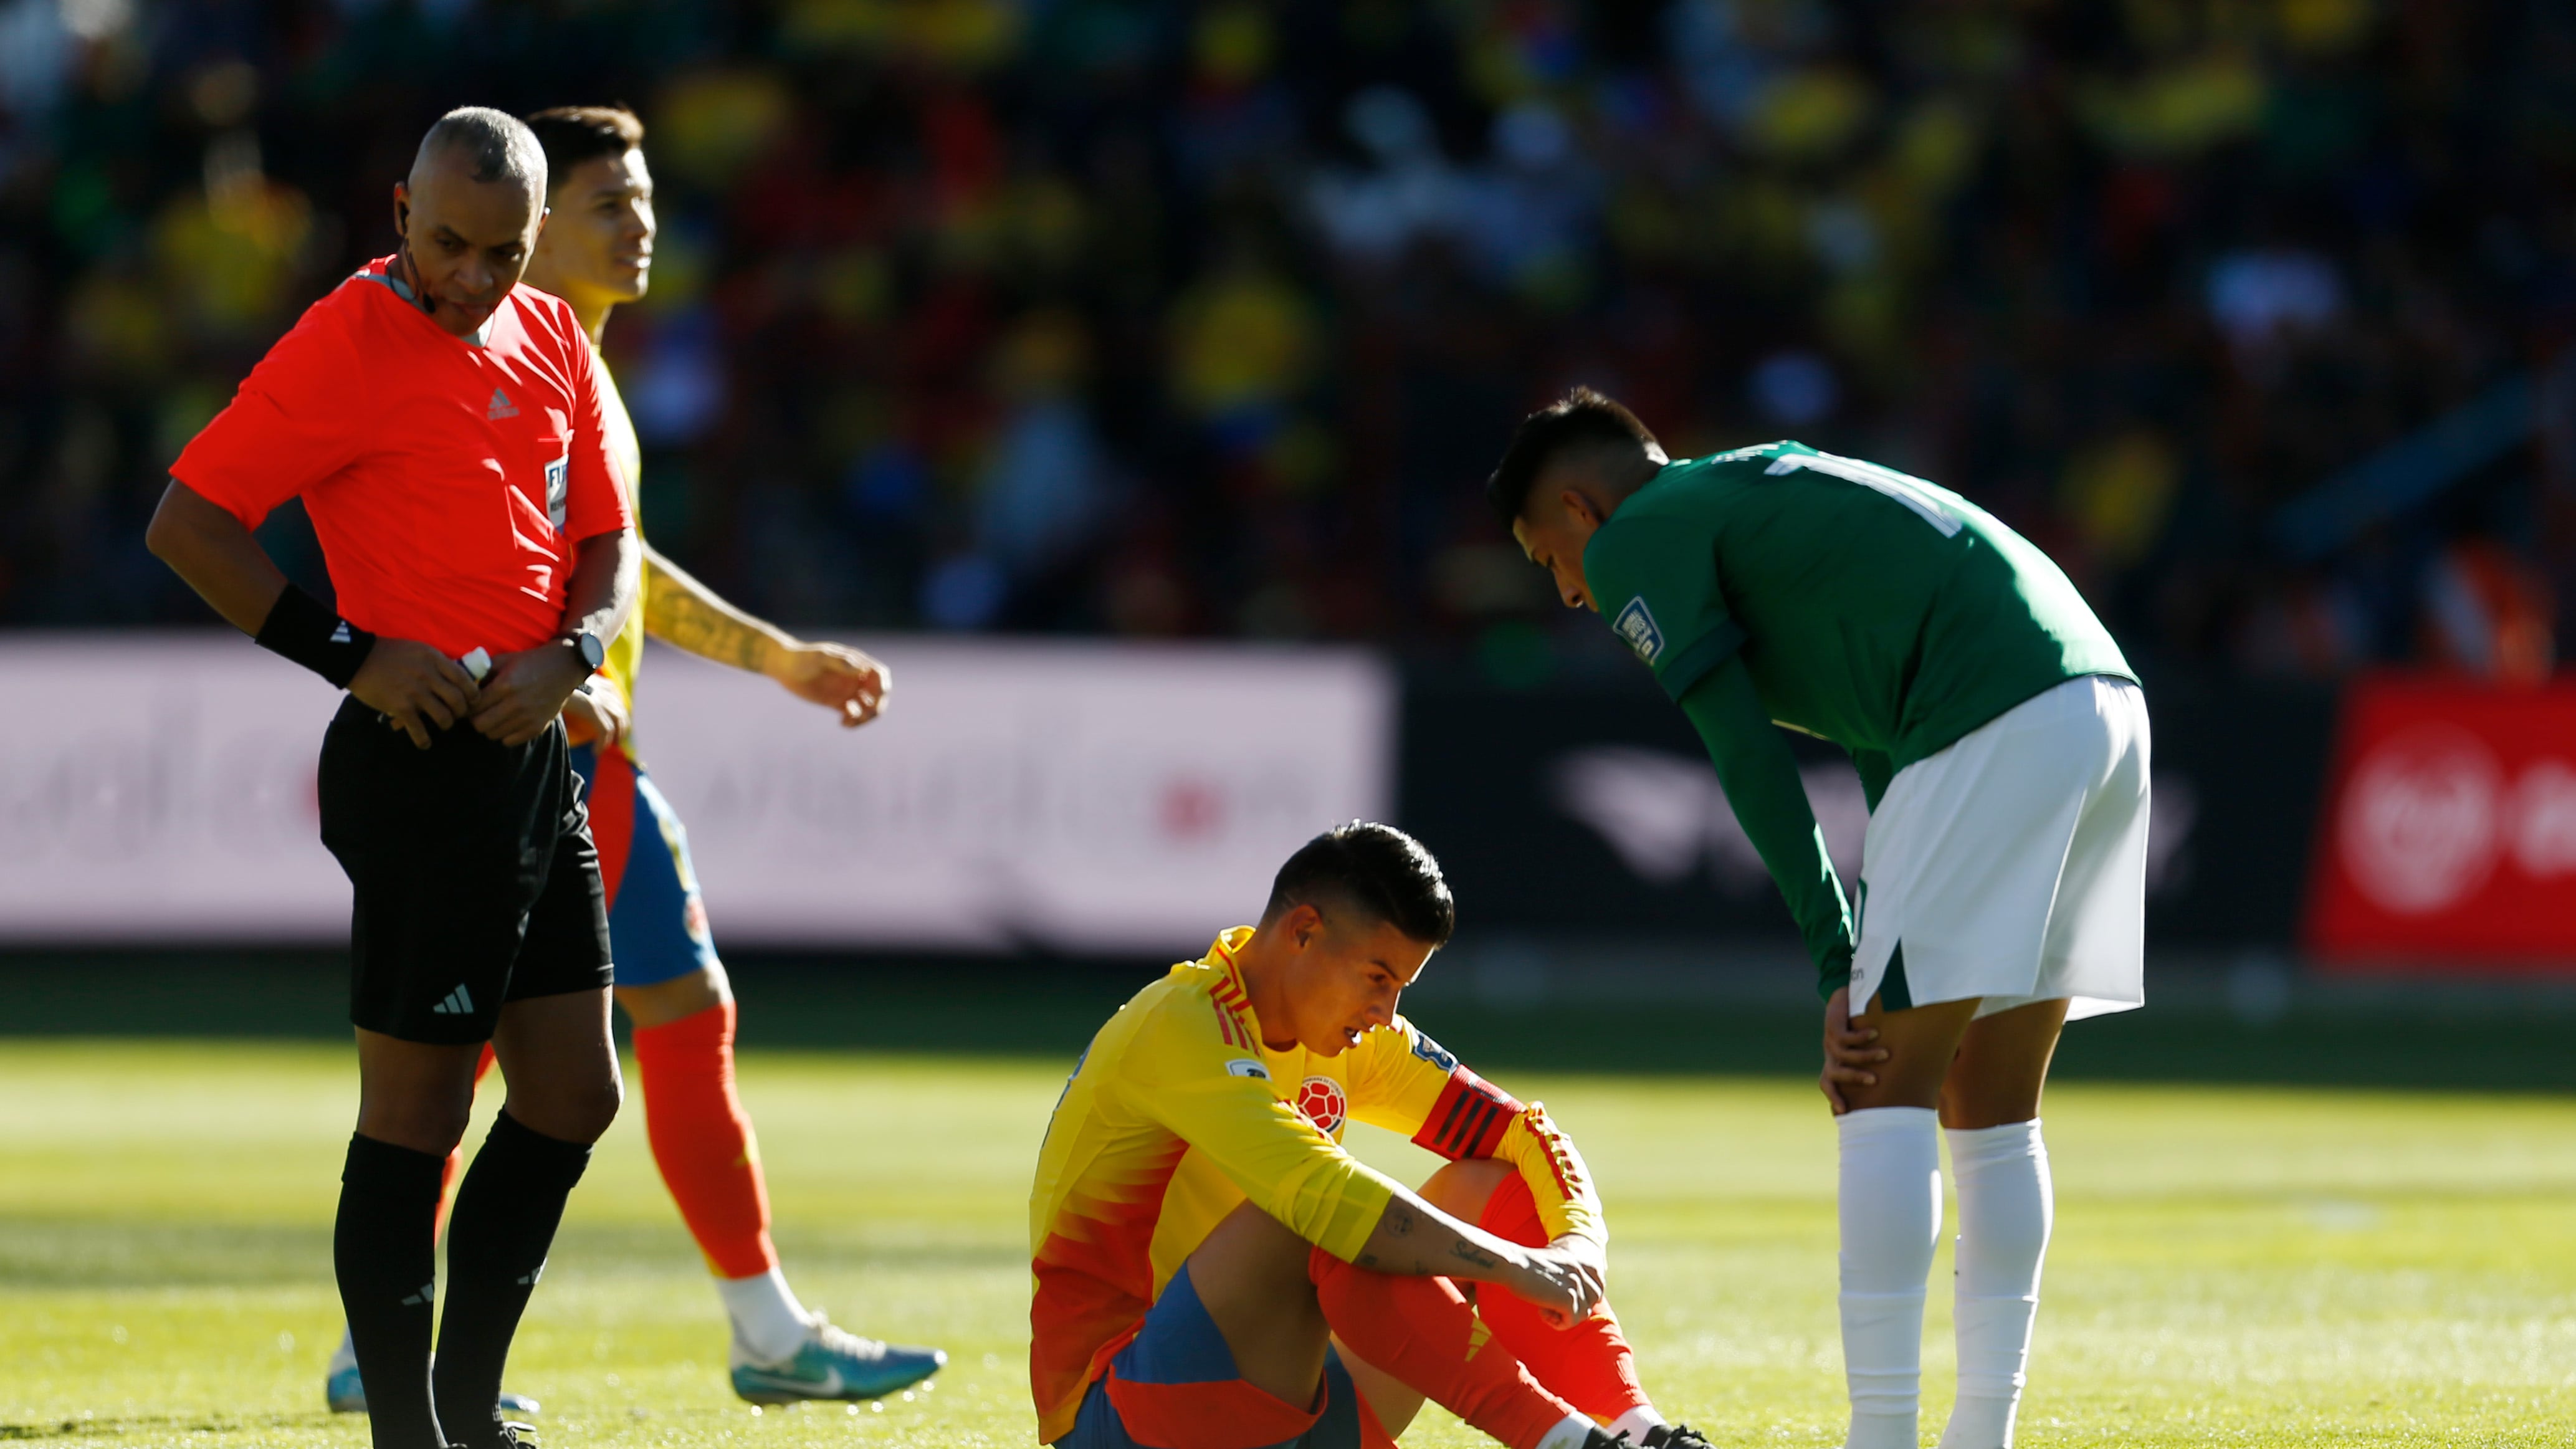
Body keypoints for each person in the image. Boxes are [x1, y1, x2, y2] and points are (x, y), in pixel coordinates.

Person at [311, 102, 944, 1414]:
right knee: (627, 1036)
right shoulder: (518, 360)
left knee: (514, 1058)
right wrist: (573, 672)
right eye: (611, 202)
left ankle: (388, 1345)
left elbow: (618, 562)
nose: (639, 221)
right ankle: (755, 1328)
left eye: (645, 197)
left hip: (581, 747)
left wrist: (763, 658)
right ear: (536, 234)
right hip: (559, 760)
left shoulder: (573, 364)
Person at [1486, 390, 2149, 1449]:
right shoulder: (1753, 485)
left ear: (1581, 505)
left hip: (1989, 708)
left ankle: (1879, 1437)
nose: (1568, 592)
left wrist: (1834, 959)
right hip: (2099, 700)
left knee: (1876, 1080)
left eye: (1546, 557)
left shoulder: (1635, 539)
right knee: (1990, 1101)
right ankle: (1981, 1434)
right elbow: (1878, 734)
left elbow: (1744, 757)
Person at [146, 108, 640, 1449]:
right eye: (447, 244)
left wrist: (572, 651)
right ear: (402, 216)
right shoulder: (344, 341)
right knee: (417, 1110)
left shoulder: (551, 339)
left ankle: (467, 1412)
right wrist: (349, 653)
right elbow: (188, 520)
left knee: (574, 1093)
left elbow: (604, 538)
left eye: (501, 250)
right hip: (418, 764)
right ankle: (409, 1433)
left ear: (537, 238)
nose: (473, 276)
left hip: (530, 753)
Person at [1031, 821, 1712, 1449]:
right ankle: (1563, 1440)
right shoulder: (1180, 1024)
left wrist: (1578, 1244)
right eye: (1378, 979)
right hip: (1118, 1413)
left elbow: (1518, 1132)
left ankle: (1635, 1429)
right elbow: (1322, 1196)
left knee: (1485, 1183)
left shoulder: (1352, 1035)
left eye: (1401, 988)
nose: (1386, 1015)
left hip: (1279, 1396)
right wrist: (1510, 1266)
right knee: (1311, 1214)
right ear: (1303, 931)